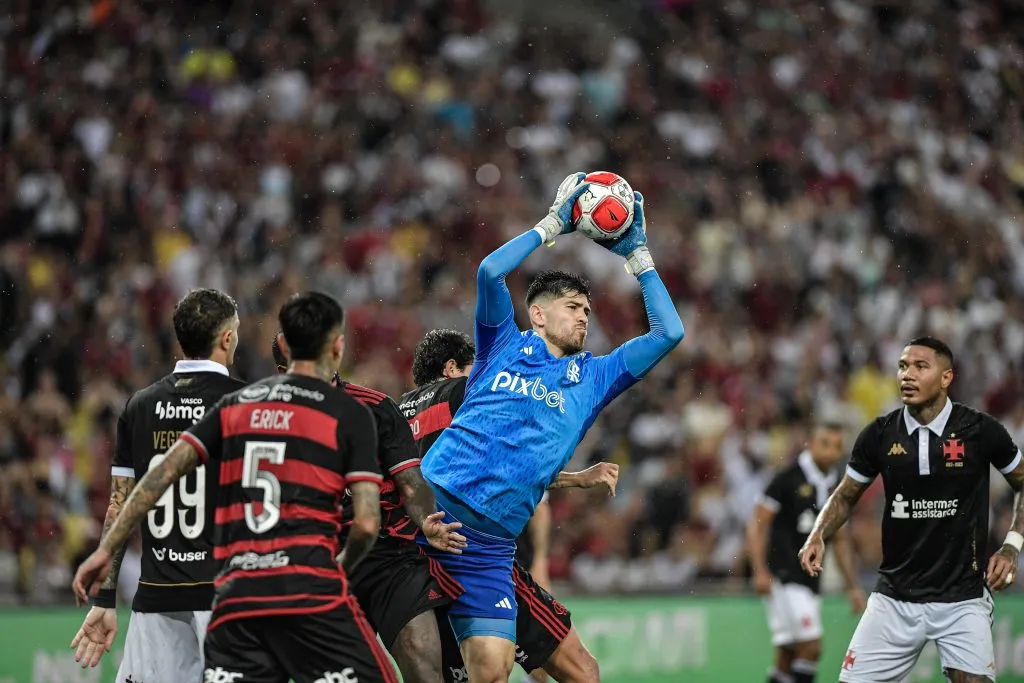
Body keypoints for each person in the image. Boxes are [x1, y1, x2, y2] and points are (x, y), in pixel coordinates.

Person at [72, 292, 460, 683]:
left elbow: (154, 481)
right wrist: (338, 570)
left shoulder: (238, 404)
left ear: (284, 352)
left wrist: (105, 550)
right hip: (307, 580)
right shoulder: (352, 414)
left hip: (240, 592)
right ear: (338, 346)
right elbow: (364, 524)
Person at [416, 173, 685, 683]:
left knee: (492, 672)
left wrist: (640, 256)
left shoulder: (595, 378)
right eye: (573, 307)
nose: (584, 317)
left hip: (491, 549)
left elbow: (669, 332)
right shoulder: (502, 343)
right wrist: (553, 224)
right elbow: (489, 272)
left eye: (588, 309)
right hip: (428, 512)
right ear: (537, 314)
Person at [799, 337, 1024, 683]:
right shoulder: (879, 434)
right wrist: (818, 534)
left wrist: (1011, 546)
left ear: (947, 377)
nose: (908, 375)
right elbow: (844, 496)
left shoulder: (980, 431)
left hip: (962, 596)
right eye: (903, 366)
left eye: (921, 367)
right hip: (895, 597)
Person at [400, 328, 614, 683]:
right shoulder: (468, 391)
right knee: (583, 672)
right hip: (475, 552)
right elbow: (515, 461)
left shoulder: (396, 413)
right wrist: (578, 478)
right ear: (453, 369)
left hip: (416, 560)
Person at [70, 288, 245, 682]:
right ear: (227, 338)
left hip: (157, 596)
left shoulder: (141, 405)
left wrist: (105, 597)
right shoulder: (246, 402)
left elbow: (119, 507)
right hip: (227, 596)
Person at [272, 336, 467, 683]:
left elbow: (412, 483)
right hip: (319, 563)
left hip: (389, 559)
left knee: (423, 660)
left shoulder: (377, 407)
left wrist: (426, 522)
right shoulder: (269, 423)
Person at [747, 422, 866, 683]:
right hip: (783, 575)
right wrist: (759, 570)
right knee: (811, 646)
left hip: (810, 579)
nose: (832, 452)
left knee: (788, 655)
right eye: (825, 443)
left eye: (837, 446)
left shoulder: (838, 483)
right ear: (810, 444)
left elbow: (841, 538)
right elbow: (757, 524)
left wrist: (852, 586)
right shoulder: (787, 478)